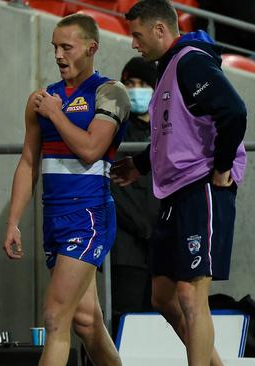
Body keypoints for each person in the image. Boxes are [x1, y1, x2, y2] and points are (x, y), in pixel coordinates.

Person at [114, 1, 248, 365]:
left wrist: (222, 166)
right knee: (163, 297)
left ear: (160, 30)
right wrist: (140, 166)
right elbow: (175, 134)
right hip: (175, 191)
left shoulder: (191, 61)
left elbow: (234, 111)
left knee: (190, 294)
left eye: (137, 35)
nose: (133, 44)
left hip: (201, 187)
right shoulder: (168, 68)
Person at [3, 13, 130, 366]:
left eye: (67, 47)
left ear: (91, 48)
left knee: (56, 317)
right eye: (54, 47)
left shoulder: (110, 92)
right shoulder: (41, 99)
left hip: (88, 215)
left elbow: (91, 149)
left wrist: (57, 115)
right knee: (87, 323)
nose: (58, 55)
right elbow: (28, 163)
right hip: (55, 217)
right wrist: (13, 220)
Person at [108, 56, 161, 337]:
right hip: (126, 250)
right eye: (130, 83)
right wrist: (143, 226)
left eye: (143, 84)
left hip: (162, 250)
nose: (135, 89)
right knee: (125, 326)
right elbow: (113, 186)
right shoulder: (114, 131)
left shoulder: (166, 131)